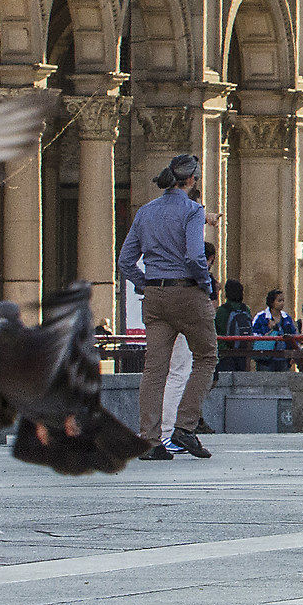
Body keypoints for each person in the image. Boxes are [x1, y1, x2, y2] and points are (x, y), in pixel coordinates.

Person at [118, 153, 217, 463]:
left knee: (154, 370)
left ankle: (149, 440)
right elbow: (195, 256)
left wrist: (145, 283)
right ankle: (185, 425)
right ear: (191, 180)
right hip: (187, 293)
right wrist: (206, 284)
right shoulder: (193, 210)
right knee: (206, 357)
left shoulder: (145, 212)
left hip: (155, 296)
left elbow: (125, 261)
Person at [248, 290, 297, 370]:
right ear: (272, 302)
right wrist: (269, 329)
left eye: (283, 300)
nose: (282, 303)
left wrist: (293, 354)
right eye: (279, 301)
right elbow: (254, 335)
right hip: (265, 360)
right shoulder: (261, 317)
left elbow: (293, 336)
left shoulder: (287, 318)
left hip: (283, 359)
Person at [214, 280, 253, 372]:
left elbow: (217, 330)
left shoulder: (222, 310)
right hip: (243, 351)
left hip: (225, 352)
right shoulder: (245, 309)